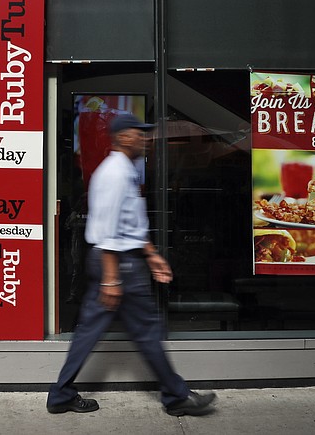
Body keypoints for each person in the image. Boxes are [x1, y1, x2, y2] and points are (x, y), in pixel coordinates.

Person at [46, 113, 217, 417]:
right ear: (123, 137)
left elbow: (131, 222)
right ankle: (177, 397)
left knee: (90, 331)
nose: (146, 138)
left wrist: (151, 255)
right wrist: (112, 279)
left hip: (119, 260)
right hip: (118, 263)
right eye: (140, 133)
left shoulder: (124, 170)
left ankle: (61, 395)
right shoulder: (114, 173)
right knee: (147, 330)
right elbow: (109, 228)